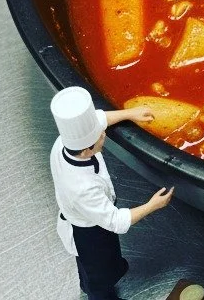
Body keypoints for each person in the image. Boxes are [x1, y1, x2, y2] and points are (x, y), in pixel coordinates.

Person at [50, 86, 174, 300]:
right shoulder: (82, 187)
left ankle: (86, 285)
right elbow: (115, 221)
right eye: (100, 136)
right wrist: (153, 205)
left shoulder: (66, 143)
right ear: (88, 149)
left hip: (85, 217)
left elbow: (99, 120)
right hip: (90, 231)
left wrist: (130, 113)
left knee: (88, 268)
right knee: (101, 274)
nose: (104, 134)